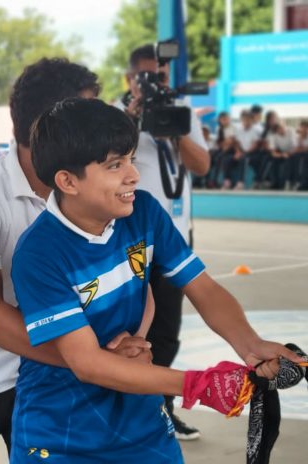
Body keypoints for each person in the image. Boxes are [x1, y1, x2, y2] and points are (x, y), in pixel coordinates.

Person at [10, 97, 302, 463]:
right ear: (68, 181)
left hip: (142, 415)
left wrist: (250, 345)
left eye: (131, 159)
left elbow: (203, 287)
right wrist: (195, 384)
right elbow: (87, 363)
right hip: (62, 433)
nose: (133, 175)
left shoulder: (144, 211)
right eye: (115, 165)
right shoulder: (40, 253)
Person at [0, 59, 150, 463]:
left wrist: (127, 344)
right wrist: (90, 359)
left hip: (61, 378)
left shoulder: (102, 191)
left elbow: (134, 278)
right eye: (87, 110)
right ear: (50, 124)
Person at [118, 43, 211, 440]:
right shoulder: (115, 118)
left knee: (168, 332)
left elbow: (201, 166)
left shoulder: (182, 114)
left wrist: (174, 132)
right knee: (129, 332)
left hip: (174, 237)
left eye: (160, 76)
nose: (155, 83)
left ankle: (163, 409)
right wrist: (135, 115)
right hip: (130, 238)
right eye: (146, 77)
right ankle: (129, 410)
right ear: (130, 79)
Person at [265, 115, 296, 190]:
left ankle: (286, 183)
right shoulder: (273, 135)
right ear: (276, 130)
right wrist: (282, 155)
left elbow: (295, 147)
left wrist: (287, 154)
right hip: (281, 152)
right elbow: (273, 152)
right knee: (272, 160)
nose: (282, 130)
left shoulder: (291, 131)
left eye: (283, 127)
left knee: (289, 161)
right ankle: (275, 183)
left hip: (293, 152)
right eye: (279, 129)